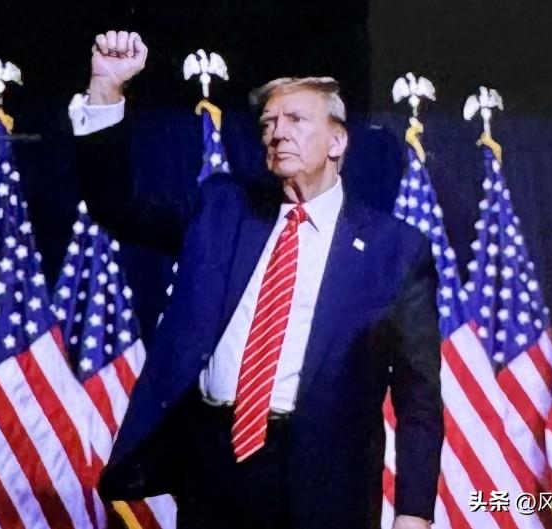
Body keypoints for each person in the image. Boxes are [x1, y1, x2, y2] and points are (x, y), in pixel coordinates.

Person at [70, 29, 443, 529]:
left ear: (337, 140)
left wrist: (414, 513)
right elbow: (117, 207)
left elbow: (419, 397)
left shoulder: (395, 249)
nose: (277, 133)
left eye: (295, 120)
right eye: (268, 123)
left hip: (326, 484)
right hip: (213, 469)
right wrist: (106, 89)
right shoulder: (222, 207)